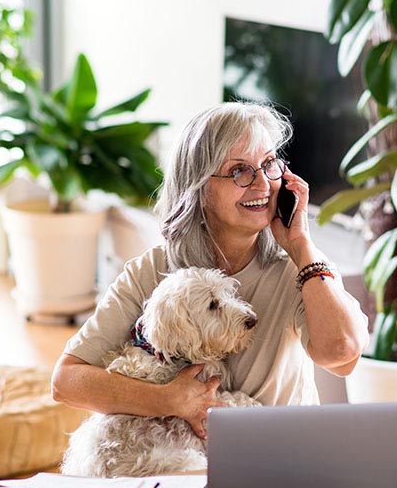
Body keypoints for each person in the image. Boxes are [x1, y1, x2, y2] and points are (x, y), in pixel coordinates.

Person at [51, 102, 368, 438]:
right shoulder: (153, 269)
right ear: (199, 188)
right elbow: (67, 381)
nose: (262, 185)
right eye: (239, 171)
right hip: (186, 468)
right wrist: (168, 399)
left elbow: (342, 356)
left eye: (269, 164)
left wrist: (302, 244)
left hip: (280, 455)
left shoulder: (303, 268)